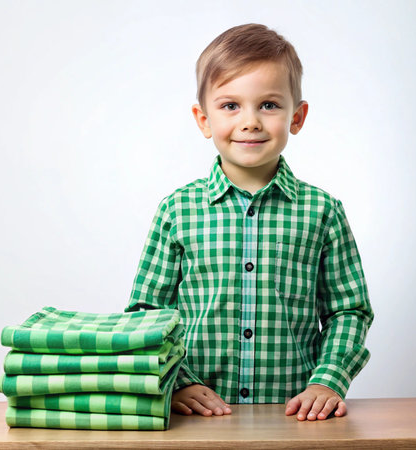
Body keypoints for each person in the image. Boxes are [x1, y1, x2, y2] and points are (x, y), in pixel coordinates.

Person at [125, 23, 373, 421]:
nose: (251, 121)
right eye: (230, 106)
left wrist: (327, 380)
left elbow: (349, 310)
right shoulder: (177, 210)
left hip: (293, 419)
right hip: (194, 419)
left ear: (297, 116)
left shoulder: (323, 211)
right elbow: (146, 311)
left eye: (269, 105)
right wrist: (179, 380)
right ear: (203, 119)